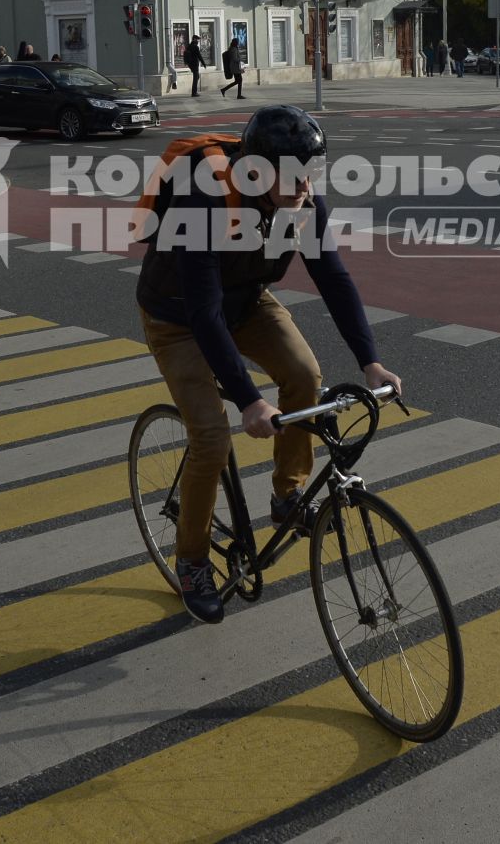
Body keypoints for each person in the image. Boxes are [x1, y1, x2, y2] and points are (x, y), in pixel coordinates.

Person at [135, 105, 403, 624]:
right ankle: (190, 559)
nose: (307, 187)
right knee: (211, 437)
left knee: (304, 374)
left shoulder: (299, 197)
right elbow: (202, 312)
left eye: (314, 175)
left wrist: (371, 362)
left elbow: (334, 277)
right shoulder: (205, 195)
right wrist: (248, 399)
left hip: (245, 300)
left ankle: (288, 492)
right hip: (179, 318)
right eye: (296, 177)